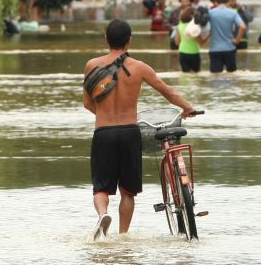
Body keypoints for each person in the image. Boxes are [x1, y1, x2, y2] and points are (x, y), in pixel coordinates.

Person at [83, 19, 196, 240]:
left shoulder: (91, 65)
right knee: (128, 191)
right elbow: (167, 91)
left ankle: (103, 215)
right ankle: (123, 236)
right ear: (129, 41)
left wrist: (107, 117)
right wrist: (187, 108)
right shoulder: (140, 68)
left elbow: (87, 103)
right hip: (129, 132)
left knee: (101, 188)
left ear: (106, 39)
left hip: (104, 132)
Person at [207, 0, 246, 72]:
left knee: (215, 76)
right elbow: (243, 27)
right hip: (229, 48)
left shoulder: (210, 13)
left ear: (216, 3)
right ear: (227, 3)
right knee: (232, 75)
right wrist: (237, 40)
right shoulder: (233, 13)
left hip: (215, 49)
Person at [174, 7, 205, 72]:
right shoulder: (195, 27)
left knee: (185, 75)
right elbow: (201, 43)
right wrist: (209, 34)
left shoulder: (180, 26)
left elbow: (177, 42)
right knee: (196, 76)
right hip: (194, 53)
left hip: (183, 53)